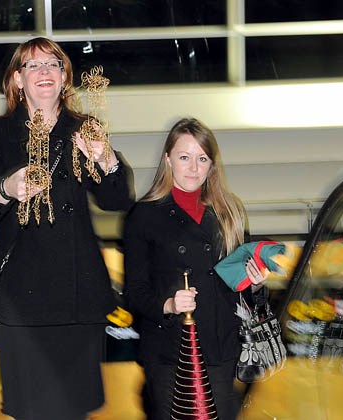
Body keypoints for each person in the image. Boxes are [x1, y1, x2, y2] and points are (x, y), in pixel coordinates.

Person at [0, 37, 134, 419]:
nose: (44, 71)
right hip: (23, 302)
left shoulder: (84, 128)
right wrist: (7, 188)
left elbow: (117, 200)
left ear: (64, 77)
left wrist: (106, 158)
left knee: (73, 410)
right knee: (32, 410)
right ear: (17, 80)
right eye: (33, 65)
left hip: (78, 296)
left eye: (53, 64)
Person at [123, 117, 267, 419]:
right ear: (168, 160)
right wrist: (169, 304)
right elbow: (134, 293)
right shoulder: (144, 215)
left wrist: (255, 282)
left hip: (220, 347)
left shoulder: (230, 212)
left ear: (212, 165)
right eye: (184, 157)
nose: (193, 168)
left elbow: (241, 286)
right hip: (170, 351)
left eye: (202, 159)